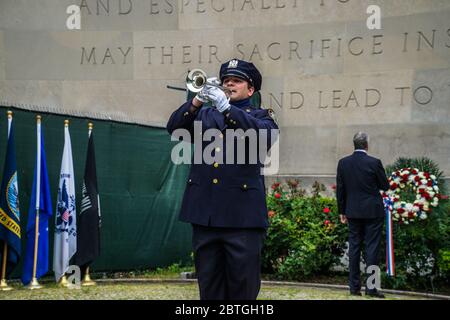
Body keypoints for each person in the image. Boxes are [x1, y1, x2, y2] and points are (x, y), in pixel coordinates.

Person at [166, 59, 278, 300]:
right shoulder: (205, 114)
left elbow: (262, 138)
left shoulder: (262, 118)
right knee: (210, 289)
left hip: (242, 220)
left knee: (242, 290)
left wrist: (227, 108)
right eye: (226, 80)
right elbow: (175, 128)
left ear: (251, 89)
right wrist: (196, 100)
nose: (229, 84)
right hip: (205, 216)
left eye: (236, 81)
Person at [336, 132, 389, 298]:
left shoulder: (343, 163)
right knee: (372, 249)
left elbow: (340, 189)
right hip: (373, 211)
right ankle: (372, 288)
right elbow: (385, 186)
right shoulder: (374, 162)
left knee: (354, 249)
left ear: (355, 144)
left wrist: (341, 211)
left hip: (352, 211)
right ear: (367, 144)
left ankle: (354, 288)